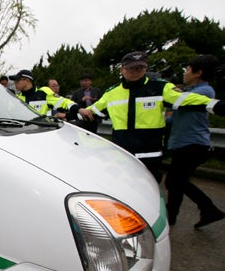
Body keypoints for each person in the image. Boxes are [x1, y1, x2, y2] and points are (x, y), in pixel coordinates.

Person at [79, 51, 224, 183]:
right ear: (122, 69)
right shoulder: (112, 93)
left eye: (139, 68)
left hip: (150, 156)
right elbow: (89, 113)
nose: (135, 72)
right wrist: (71, 114)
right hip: (122, 157)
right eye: (131, 68)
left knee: (150, 198)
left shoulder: (160, 88)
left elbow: (189, 100)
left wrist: (217, 106)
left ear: (145, 68)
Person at [165, 54, 224, 228]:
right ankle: (172, 217)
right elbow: (172, 119)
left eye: (188, 69)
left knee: (175, 181)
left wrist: (169, 92)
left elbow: (177, 102)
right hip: (181, 143)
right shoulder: (188, 93)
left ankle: (209, 208)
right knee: (175, 183)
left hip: (193, 144)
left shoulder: (204, 91)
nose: (185, 72)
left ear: (198, 72)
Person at [10, 70, 81, 118]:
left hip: (44, 132)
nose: (15, 83)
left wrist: (79, 109)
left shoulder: (43, 92)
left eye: (17, 80)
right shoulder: (16, 98)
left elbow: (64, 102)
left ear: (27, 80)